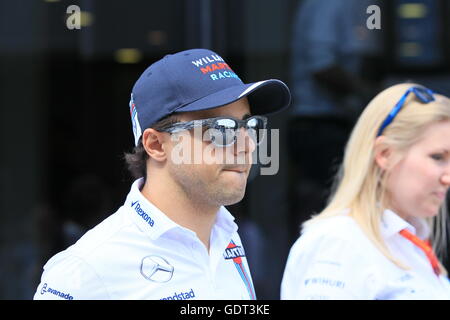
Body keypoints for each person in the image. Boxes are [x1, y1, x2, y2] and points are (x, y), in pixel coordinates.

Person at [34, 48, 291, 300]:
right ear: (156, 145)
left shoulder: (227, 236)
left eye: (250, 125)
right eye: (221, 128)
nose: (248, 145)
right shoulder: (86, 269)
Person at [281, 83, 450, 300]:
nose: (447, 178)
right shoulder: (338, 242)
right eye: (438, 157)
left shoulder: (410, 241)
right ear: (385, 154)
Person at [287, 0, 383, 240]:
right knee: (324, 206)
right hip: (318, 123)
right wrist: (368, 93)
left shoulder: (361, 7)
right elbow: (322, 66)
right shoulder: (326, 5)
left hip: (339, 121)